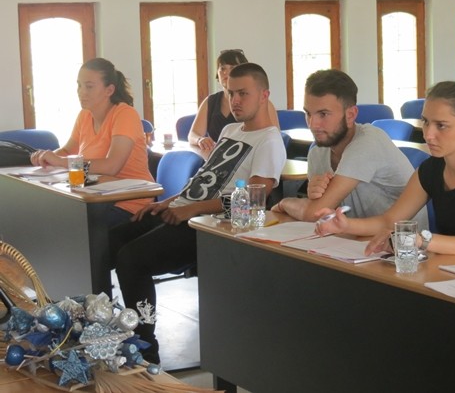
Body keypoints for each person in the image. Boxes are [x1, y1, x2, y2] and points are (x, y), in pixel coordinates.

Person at [109, 62, 286, 364]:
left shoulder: (269, 140)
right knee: (110, 240)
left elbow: (251, 199)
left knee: (131, 259)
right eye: (231, 93)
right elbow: (205, 181)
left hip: (212, 225)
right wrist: (169, 201)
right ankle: (105, 328)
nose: (235, 100)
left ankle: (145, 347)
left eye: (243, 93)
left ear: (264, 95)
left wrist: (192, 210)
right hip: (186, 210)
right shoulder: (230, 130)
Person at [316, 80, 455, 263]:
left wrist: (420, 240)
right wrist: (345, 225)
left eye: (441, 125)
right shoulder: (430, 169)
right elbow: (390, 220)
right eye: (425, 122)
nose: (428, 134)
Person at [272, 69, 426, 226]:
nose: (313, 124)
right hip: (349, 236)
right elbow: (323, 216)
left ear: (351, 115)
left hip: (402, 239)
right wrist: (314, 197)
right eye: (308, 114)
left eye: (323, 114)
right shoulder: (317, 153)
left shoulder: (368, 142)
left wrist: (284, 203)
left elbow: (313, 213)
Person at [29, 58, 154, 227]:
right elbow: (67, 151)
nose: (81, 92)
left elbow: (112, 166)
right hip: (95, 195)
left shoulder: (125, 114)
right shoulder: (85, 115)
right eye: (79, 85)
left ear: (109, 90)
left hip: (129, 203)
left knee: (65, 226)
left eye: (89, 86)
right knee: (41, 215)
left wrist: (60, 161)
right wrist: (45, 158)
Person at [188, 49, 280, 151]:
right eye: (222, 68)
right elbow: (193, 134)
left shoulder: (261, 102)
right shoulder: (210, 101)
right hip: (215, 156)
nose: (226, 72)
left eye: (232, 68)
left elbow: (273, 137)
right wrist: (199, 140)